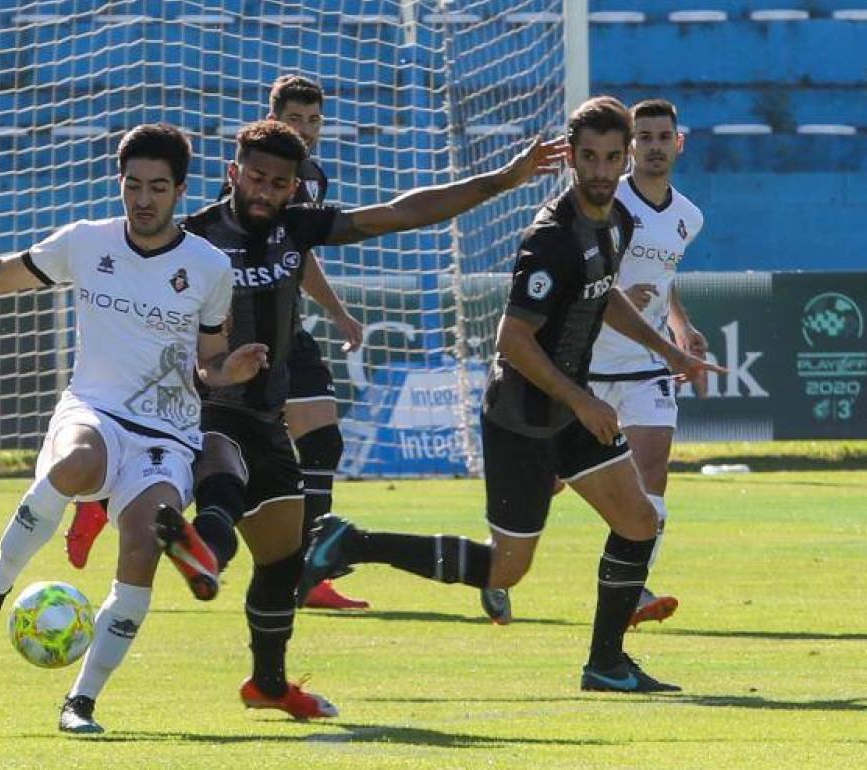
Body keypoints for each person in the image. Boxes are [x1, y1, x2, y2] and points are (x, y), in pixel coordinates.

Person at [297, 97, 725, 693]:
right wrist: (581, 400)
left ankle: (606, 663)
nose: (601, 171)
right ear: (570, 159)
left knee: (638, 520)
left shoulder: (618, 222)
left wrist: (671, 349)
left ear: (624, 157)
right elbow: (513, 339)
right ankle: (355, 542)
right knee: (506, 568)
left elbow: (606, 296)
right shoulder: (549, 237)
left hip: (569, 409)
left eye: (611, 157)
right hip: (523, 417)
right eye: (589, 158)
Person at [0, 124, 267, 734]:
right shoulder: (85, 241)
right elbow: (0, 275)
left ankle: (80, 702)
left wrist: (227, 369)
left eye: (157, 187)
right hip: (95, 408)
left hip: (166, 435)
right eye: (132, 185)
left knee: (142, 545)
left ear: (180, 191)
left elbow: (208, 364)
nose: (142, 199)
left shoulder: (209, 268)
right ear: (120, 183)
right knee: (76, 461)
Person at [169, 119, 565, 719]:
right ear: (232, 173)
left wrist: (507, 179)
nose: (264, 190)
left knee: (281, 558)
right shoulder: (189, 240)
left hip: (267, 418)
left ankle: (268, 685)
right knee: (222, 471)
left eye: (278, 182)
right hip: (203, 408)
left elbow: (400, 213)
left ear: (294, 188)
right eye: (254, 176)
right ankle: (203, 552)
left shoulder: (296, 229)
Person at [64, 75, 371, 611]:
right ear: (273, 117)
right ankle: (117, 497)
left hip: (284, 333)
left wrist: (336, 309)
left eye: (314, 120)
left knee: (319, 444)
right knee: (227, 456)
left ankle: (298, 560)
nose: (305, 128)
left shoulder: (305, 180)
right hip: (231, 341)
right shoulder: (241, 192)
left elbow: (298, 253)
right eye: (294, 119)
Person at [480, 98, 708, 628]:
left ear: (679, 143)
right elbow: (592, 283)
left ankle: (631, 588)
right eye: (644, 137)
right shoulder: (603, 202)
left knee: (650, 481)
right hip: (584, 366)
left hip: (645, 361)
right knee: (548, 487)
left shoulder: (689, 217)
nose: (653, 147)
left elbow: (664, 277)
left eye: (661, 137)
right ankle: (496, 566)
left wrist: (679, 326)